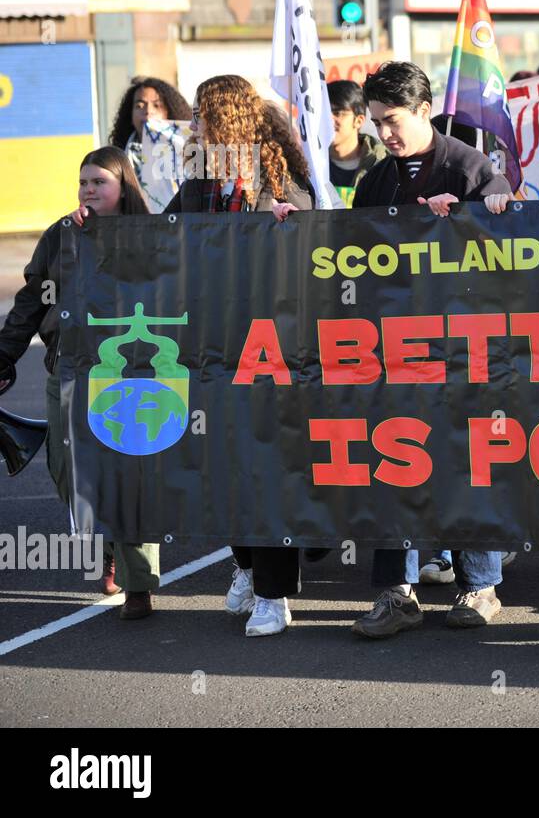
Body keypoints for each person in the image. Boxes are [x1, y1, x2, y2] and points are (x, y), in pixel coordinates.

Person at [347, 61, 512, 639]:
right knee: (397, 459)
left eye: (392, 121)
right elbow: (351, 259)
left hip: (469, 345)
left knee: (471, 460)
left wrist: (462, 225)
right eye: (375, 124)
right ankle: (398, 591)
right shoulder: (374, 181)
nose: (384, 134)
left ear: (424, 111)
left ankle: (480, 584)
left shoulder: (472, 168)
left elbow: (510, 255)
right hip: (396, 347)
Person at [165, 74, 315, 636]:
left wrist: (282, 227)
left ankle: (276, 595)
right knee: (226, 466)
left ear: (227, 117)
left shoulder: (282, 174)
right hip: (215, 343)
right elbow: (162, 237)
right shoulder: (201, 179)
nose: (195, 125)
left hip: (271, 345)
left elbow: (308, 244)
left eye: (203, 114)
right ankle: (248, 566)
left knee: (266, 467)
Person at [0, 148, 161, 618]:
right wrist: (4, 353)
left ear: (124, 188)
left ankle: (138, 584)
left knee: (128, 479)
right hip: (65, 371)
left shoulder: (152, 238)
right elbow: (31, 302)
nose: (88, 190)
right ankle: (107, 540)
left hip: (130, 379)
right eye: (83, 182)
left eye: (99, 182)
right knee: (66, 471)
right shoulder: (59, 235)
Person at [108, 77, 193, 213]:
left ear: (169, 113)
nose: (147, 111)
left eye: (157, 105)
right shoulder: (116, 157)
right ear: (130, 116)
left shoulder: (188, 152)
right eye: (139, 106)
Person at [326, 80, 387, 207]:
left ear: (359, 121)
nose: (328, 120)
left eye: (337, 113)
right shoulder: (310, 166)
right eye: (325, 112)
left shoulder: (383, 164)